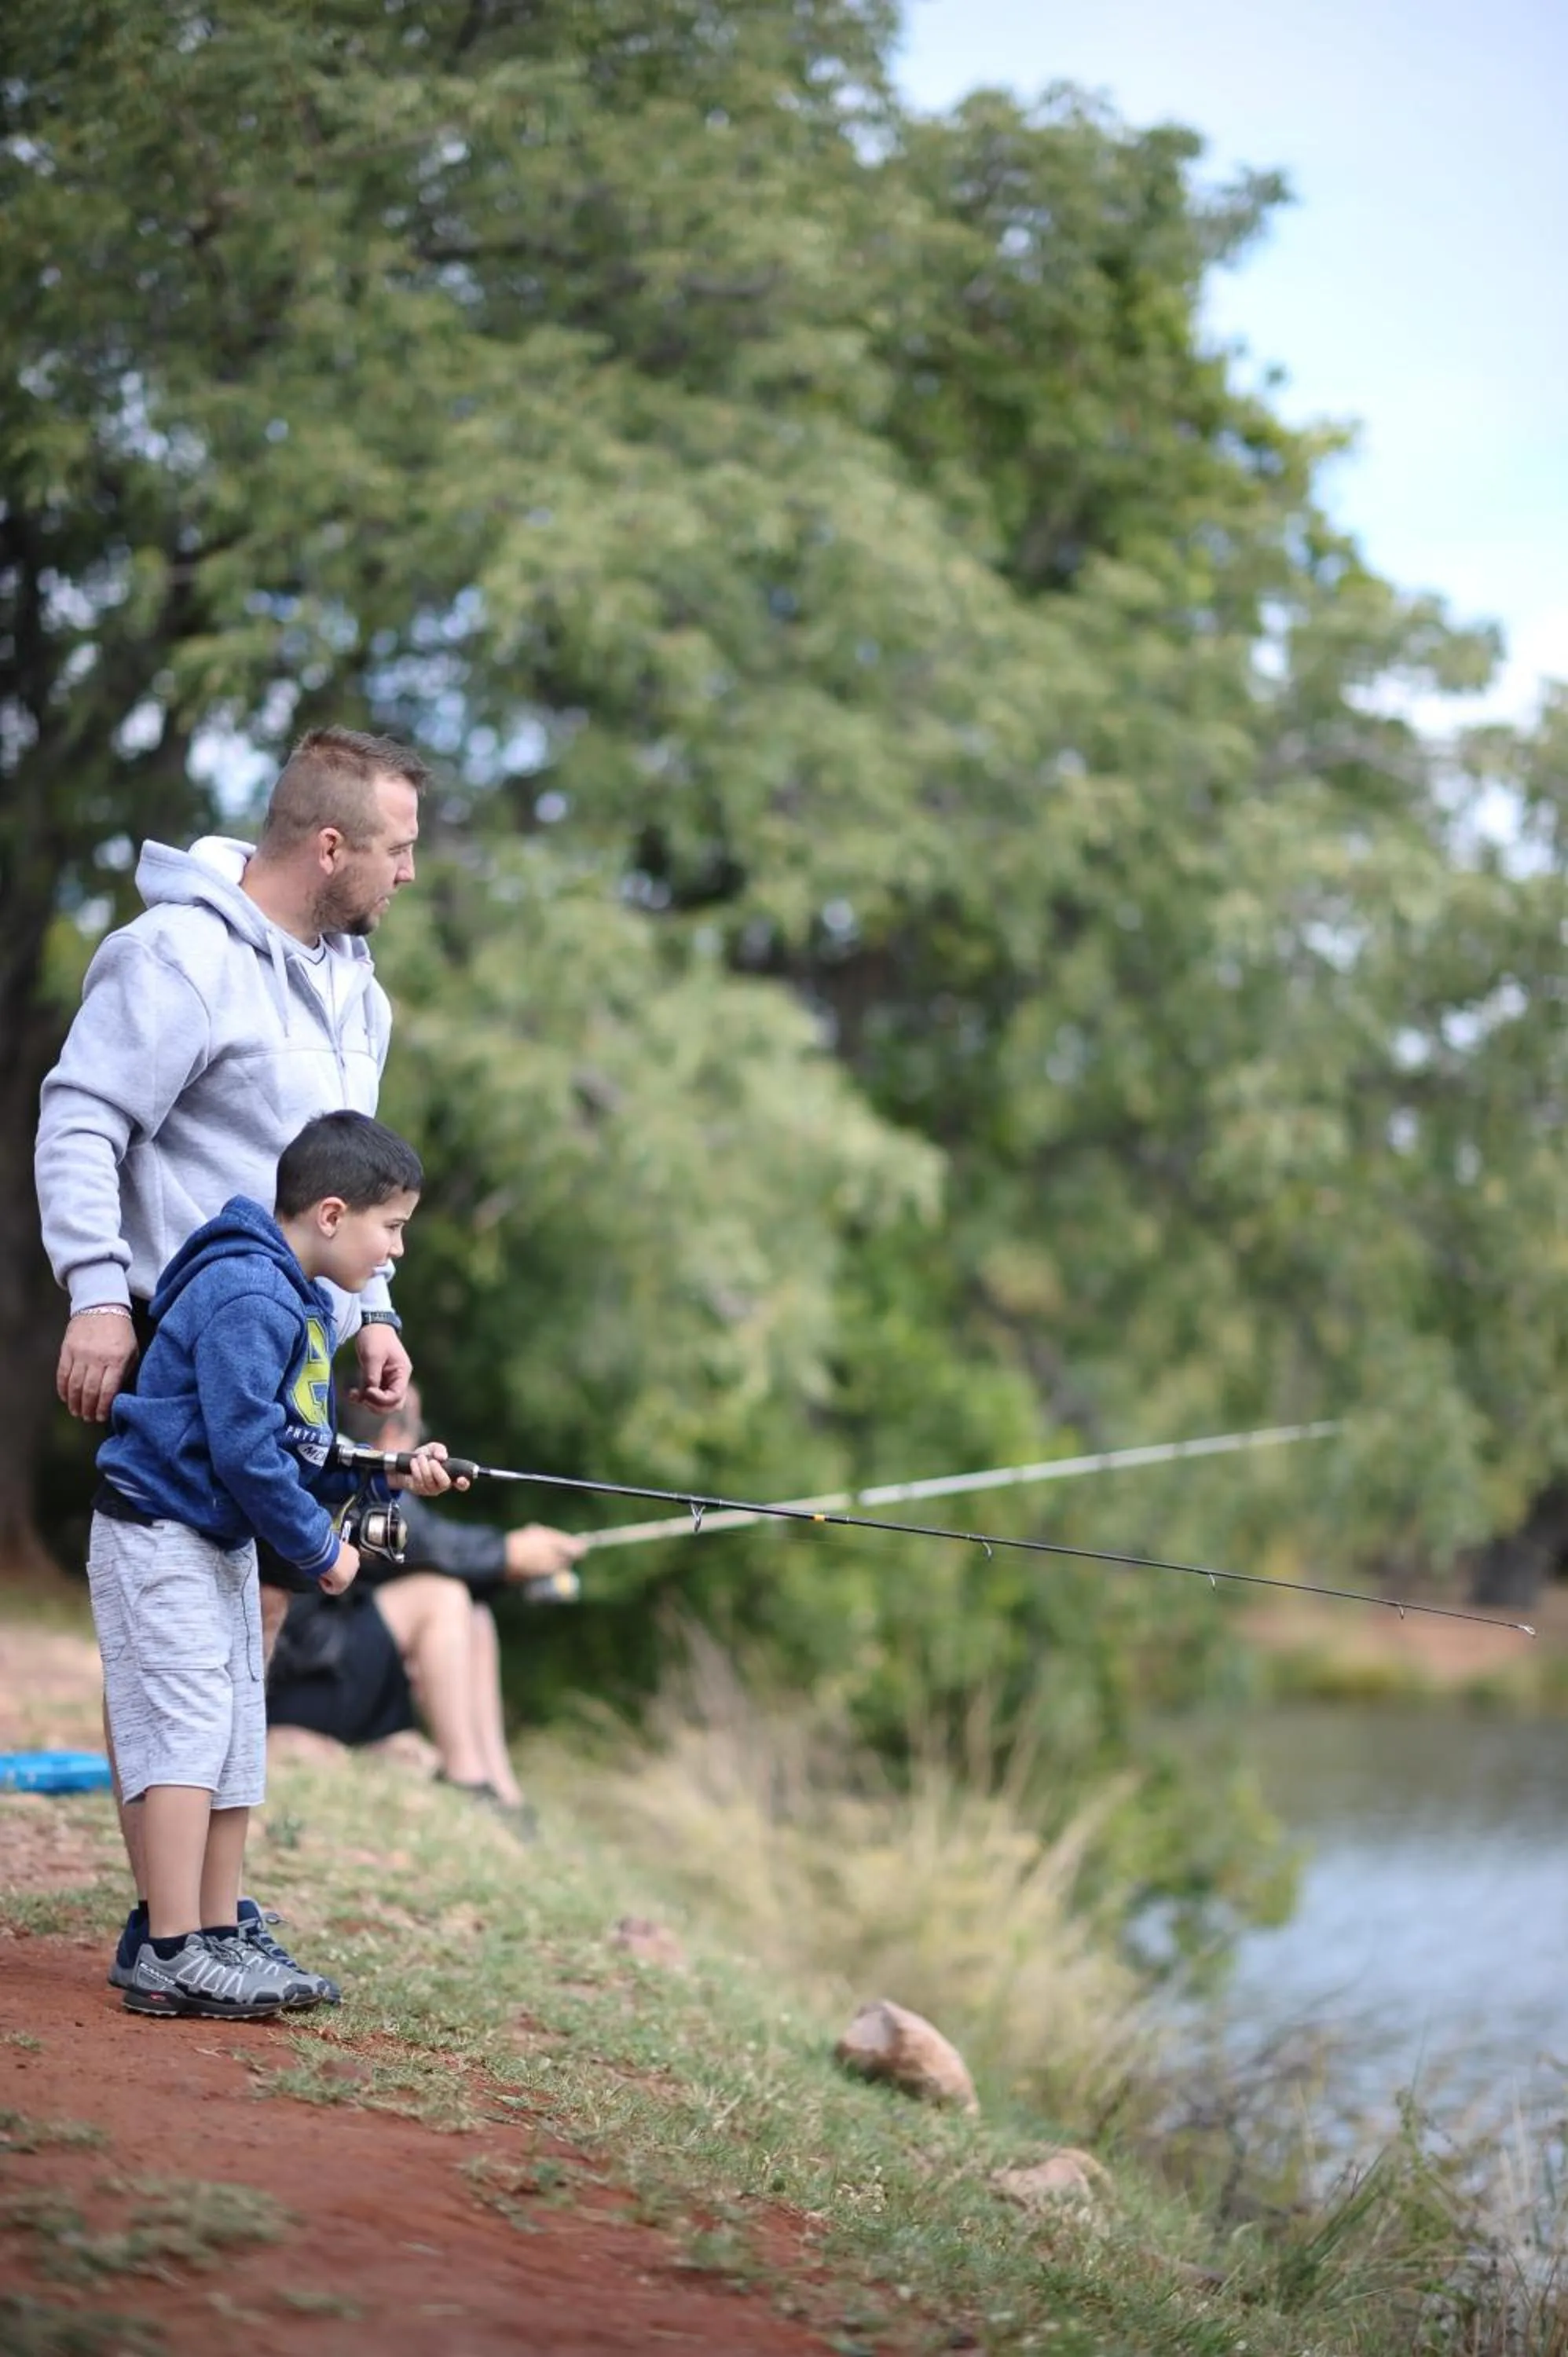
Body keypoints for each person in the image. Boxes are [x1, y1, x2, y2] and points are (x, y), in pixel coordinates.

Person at [35, 723, 429, 1994]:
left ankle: (208, 1910)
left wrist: (377, 1314)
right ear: (331, 845)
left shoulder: (357, 987)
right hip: (181, 1337)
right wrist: (97, 1294)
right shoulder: (178, 955)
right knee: (178, 1655)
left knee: (240, 1642)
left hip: (296, 1352)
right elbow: (82, 1118)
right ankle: (170, 1931)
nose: (408, 873)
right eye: (397, 848)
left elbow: (351, 1182)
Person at [91, 1110, 460, 2019]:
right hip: (159, 1531)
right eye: (391, 1227)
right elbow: (246, 1453)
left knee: (231, 1735)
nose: (396, 1250)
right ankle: (169, 1950)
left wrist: (384, 1473)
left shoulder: (299, 1300)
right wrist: (318, 1548)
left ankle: (216, 1931)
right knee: (187, 1731)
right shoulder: (251, 1295)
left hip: (210, 1537)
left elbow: (296, 1445)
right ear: (332, 1214)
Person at [267, 1387, 584, 1822]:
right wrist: (511, 1552)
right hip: (301, 1679)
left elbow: (433, 1548)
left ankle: (501, 1790)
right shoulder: (343, 1471)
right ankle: (466, 1779)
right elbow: (429, 1542)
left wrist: (511, 1558)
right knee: (442, 1598)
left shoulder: (327, 1459)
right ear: (394, 1436)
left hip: (325, 1660)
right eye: (418, 1430)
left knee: (474, 1613)